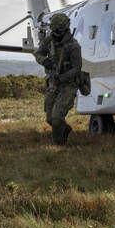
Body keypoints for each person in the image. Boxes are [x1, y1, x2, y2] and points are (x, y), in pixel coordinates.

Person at [34, 13, 81, 145]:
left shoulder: (74, 46)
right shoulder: (49, 41)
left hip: (68, 84)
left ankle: (58, 144)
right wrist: (44, 61)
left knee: (57, 117)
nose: (56, 32)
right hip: (53, 82)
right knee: (49, 118)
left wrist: (62, 77)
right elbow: (38, 53)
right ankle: (65, 129)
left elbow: (77, 68)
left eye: (59, 29)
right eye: (54, 29)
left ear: (65, 28)